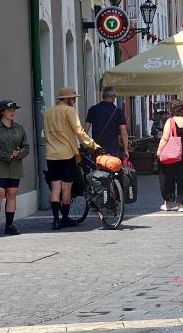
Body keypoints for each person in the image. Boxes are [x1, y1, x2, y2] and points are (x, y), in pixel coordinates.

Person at [44, 87, 99, 230]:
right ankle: (65, 219)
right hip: (67, 154)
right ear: (66, 98)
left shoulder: (48, 112)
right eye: (73, 98)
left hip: (51, 155)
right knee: (66, 188)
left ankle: (55, 220)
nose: (74, 100)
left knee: (55, 188)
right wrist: (92, 144)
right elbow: (79, 131)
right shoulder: (69, 111)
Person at [0, 100, 29, 236]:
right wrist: (4, 155)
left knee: (11, 195)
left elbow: (26, 147)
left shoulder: (19, 128)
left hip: (15, 168)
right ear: (2, 111)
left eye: (14, 110)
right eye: (9, 110)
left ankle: (9, 225)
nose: (12, 112)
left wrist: (19, 153)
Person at [157, 99, 183, 212]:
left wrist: (159, 151)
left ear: (172, 110)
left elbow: (165, 138)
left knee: (168, 176)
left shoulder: (171, 121)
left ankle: (167, 203)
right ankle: (181, 205)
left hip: (173, 150)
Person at [84, 87, 129, 159]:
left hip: (97, 148)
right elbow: (123, 132)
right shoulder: (118, 111)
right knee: (113, 168)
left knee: (97, 168)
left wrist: (87, 145)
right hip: (113, 148)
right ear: (113, 97)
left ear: (103, 96)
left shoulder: (93, 109)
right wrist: (126, 150)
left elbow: (85, 129)